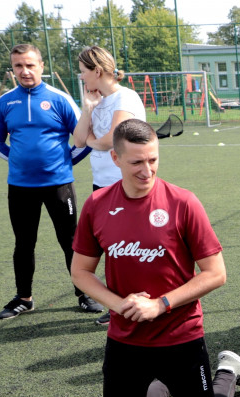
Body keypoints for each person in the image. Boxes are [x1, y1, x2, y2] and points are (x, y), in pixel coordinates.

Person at [70, 119, 240, 397]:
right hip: (126, 339)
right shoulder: (97, 205)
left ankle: (228, 372)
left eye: (153, 159)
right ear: (115, 159)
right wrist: (120, 305)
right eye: (136, 162)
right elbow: (81, 272)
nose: (147, 170)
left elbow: (216, 272)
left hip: (180, 337)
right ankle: (169, 383)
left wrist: (160, 304)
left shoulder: (183, 202)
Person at [0, 43, 101, 320]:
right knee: (23, 243)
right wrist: (19, 161)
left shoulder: (59, 98)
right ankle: (23, 298)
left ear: (41, 66)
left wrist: (63, 163)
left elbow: (83, 139)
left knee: (72, 242)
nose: (24, 71)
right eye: (18, 66)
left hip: (59, 185)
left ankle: (84, 294)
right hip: (20, 187)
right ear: (13, 69)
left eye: (29, 65)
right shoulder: (5, 102)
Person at [71, 44, 147, 326]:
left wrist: (93, 141)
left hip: (126, 186)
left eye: (83, 72)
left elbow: (110, 141)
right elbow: (79, 140)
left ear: (98, 71)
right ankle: (120, 305)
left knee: (130, 249)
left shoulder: (125, 98)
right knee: (111, 249)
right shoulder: (97, 101)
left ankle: (135, 304)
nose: (81, 77)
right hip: (101, 185)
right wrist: (88, 110)